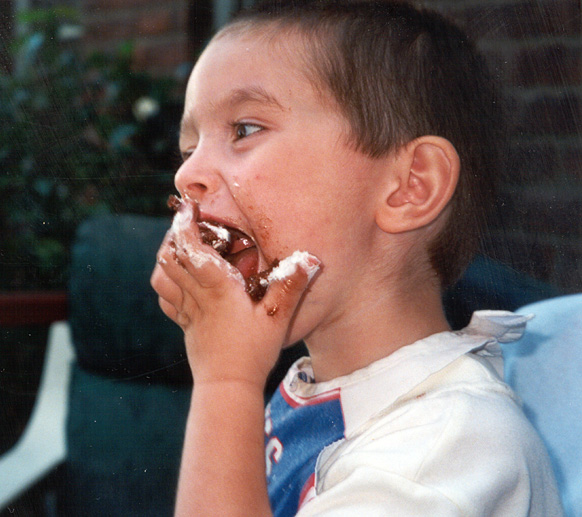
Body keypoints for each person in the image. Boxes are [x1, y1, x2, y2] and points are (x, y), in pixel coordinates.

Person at [150, 1, 562, 515]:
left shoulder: (447, 449)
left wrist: (224, 382)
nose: (186, 177)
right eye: (189, 150)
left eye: (244, 129)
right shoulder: (314, 390)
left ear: (409, 187)